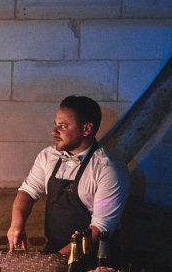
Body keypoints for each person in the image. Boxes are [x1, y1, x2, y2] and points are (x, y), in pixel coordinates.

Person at [7, 95, 129, 256]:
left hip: (93, 261)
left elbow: (100, 228)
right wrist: (17, 224)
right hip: (55, 251)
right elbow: (28, 191)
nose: (54, 132)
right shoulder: (48, 156)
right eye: (55, 124)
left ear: (86, 129)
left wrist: (56, 260)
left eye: (63, 126)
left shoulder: (108, 168)